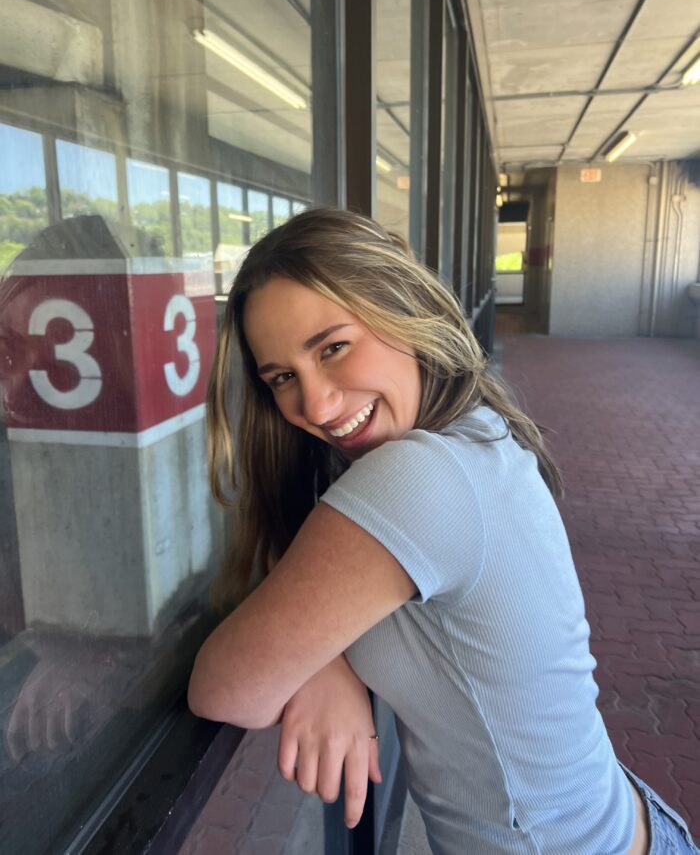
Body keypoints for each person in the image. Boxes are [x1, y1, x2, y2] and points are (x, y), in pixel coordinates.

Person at [188, 208, 698, 854]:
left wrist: (310, 655)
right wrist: (324, 658)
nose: (313, 405)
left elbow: (224, 686)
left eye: (334, 347)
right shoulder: (471, 432)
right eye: (283, 378)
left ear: (405, 310)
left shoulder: (418, 478)